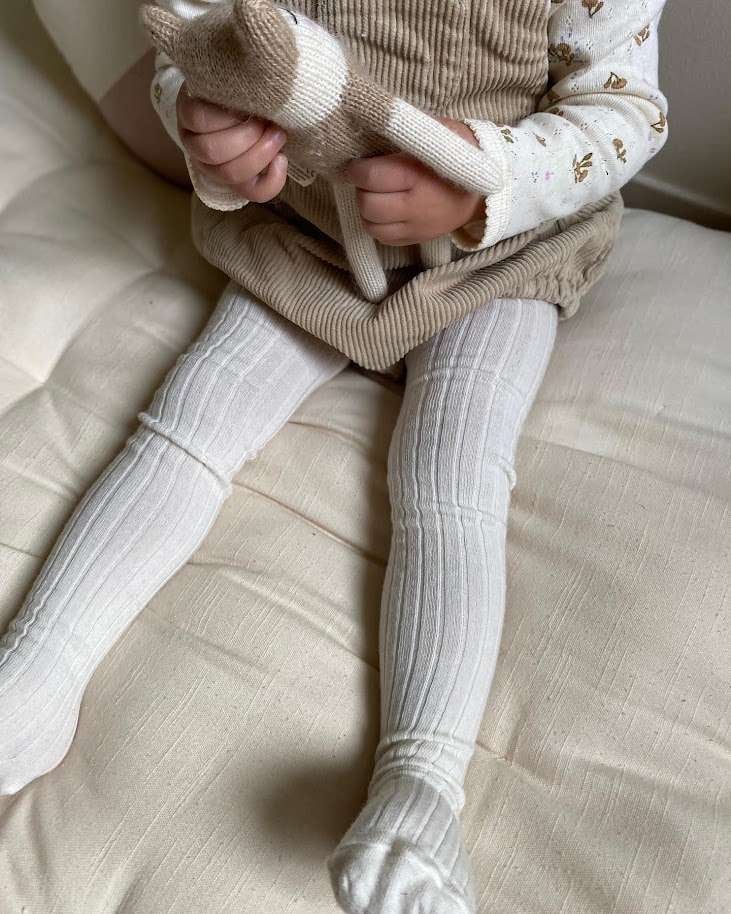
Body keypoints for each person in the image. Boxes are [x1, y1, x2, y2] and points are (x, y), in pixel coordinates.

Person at [0, 2, 668, 912]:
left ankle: (421, 780)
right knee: (186, 426)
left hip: (500, 257)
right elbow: (203, 39)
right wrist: (210, 130)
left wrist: (485, 184)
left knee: (451, 480)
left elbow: (625, 110)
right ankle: (37, 672)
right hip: (306, 232)